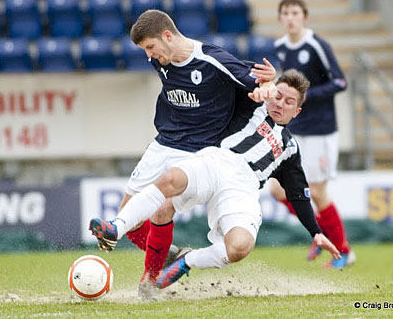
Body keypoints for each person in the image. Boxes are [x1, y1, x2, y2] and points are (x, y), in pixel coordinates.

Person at [90, 69, 341, 291]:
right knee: (168, 190)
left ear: (296, 111)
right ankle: (132, 252)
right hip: (217, 161)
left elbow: (298, 193)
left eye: (289, 102)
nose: (280, 104)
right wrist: (258, 81)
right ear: (271, 92)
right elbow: (225, 74)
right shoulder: (250, 104)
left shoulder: (290, 148)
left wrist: (316, 233)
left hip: (244, 187)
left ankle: (188, 260)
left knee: (239, 248)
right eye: (278, 96)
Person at [105, 9, 277, 295]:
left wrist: (267, 85)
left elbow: (256, 78)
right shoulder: (161, 60)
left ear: (168, 36)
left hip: (197, 151)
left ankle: (150, 279)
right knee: (129, 218)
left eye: (150, 47)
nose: (148, 56)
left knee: (163, 207)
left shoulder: (213, 59)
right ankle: (168, 252)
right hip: (163, 143)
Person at [271, 0, 355, 268]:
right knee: (277, 189)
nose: (291, 17)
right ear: (280, 18)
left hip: (320, 130)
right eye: (286, 13)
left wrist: (308, 96)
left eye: (295, 12)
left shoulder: (317, 45)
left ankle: (343, 251)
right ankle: (320, 233)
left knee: (317, 192)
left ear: (304, 17)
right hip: (296, 129)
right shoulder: (280, 47)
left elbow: (340, 82)